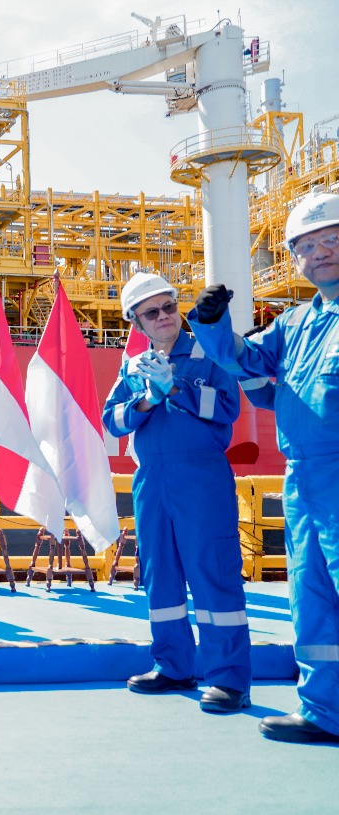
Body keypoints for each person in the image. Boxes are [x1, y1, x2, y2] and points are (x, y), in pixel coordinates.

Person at [188, 191, 339, 744]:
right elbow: (243, 360)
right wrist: (211, 324)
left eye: (331, 240)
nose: (319, 253)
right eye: (306, 246)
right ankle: (326, 710)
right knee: (313, 596)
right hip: (303, 479)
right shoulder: (298, 322)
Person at [102, 272, 252, 713]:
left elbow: (228, 408)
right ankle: (174, 666)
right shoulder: (133, 367)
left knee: (213, 573)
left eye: (169, 306)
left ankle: (229, 680)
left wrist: (178, 389)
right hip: (152, 480)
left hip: (201, 478)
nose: (165, 316)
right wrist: (146, 400)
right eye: (152, 312)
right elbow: (111, 421)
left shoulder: (208, 353)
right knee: (160, 575)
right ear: (137, 323)